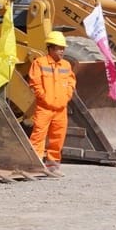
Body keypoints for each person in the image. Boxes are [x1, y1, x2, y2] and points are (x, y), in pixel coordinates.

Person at [29, 32, 77, 174]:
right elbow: (35, 83)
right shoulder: (39, 63)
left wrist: (67, 96)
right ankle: (35, 165)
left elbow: (71, 82)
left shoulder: (66, 65)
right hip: (44, 108)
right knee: (38, 136)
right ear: (50, 48)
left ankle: (53, 166)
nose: (62, 51)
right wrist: (44, 97)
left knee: (58, 138)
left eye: (63, 48)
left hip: (60, 109)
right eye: (59, 48)